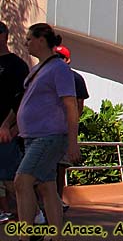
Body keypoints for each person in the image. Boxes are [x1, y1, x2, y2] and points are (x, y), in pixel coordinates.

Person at [0, 23, 79, 234]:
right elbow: (24, 103)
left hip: (49, 137)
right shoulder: (36, 70)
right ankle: (55, 234)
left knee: (21, 181)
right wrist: (12, 126)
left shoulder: (59, 69)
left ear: (41, 40)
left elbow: (71, 105)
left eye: (29, 39)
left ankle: (28, 233)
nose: (26, 43)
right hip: (32, 137)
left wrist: (73, 142)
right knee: (47, 187)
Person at [52, 45, 89, 210]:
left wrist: (71, 126)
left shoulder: (76, 79)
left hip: (63, 130)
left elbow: (79, 106)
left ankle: (57, 200)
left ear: (68, 60)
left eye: (62, 57)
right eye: (56, 57)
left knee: (60, 167)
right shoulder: (47, 76)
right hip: (45, 129)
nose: (59, 60)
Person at [0, 21, 29, 222]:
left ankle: (31, 214)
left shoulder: (17, 65)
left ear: (4, 36)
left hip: (6, 131)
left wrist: (9, 125)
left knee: (10, 177)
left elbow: (21, 99)